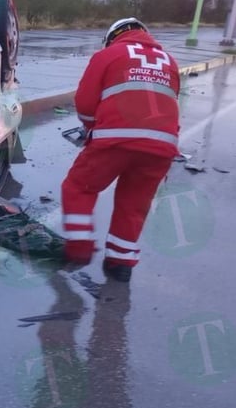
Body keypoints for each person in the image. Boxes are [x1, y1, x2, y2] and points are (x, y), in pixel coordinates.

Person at [61, 17, 180, 283]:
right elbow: (170, 103)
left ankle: (79, 248)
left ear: (114, 35)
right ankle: (121, 261)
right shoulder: (169, 61)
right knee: (134, 204)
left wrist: (91, 128)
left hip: (115, 139)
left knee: (78, 186)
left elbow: (85, 102)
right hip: (162, 145)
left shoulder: (108, 54)